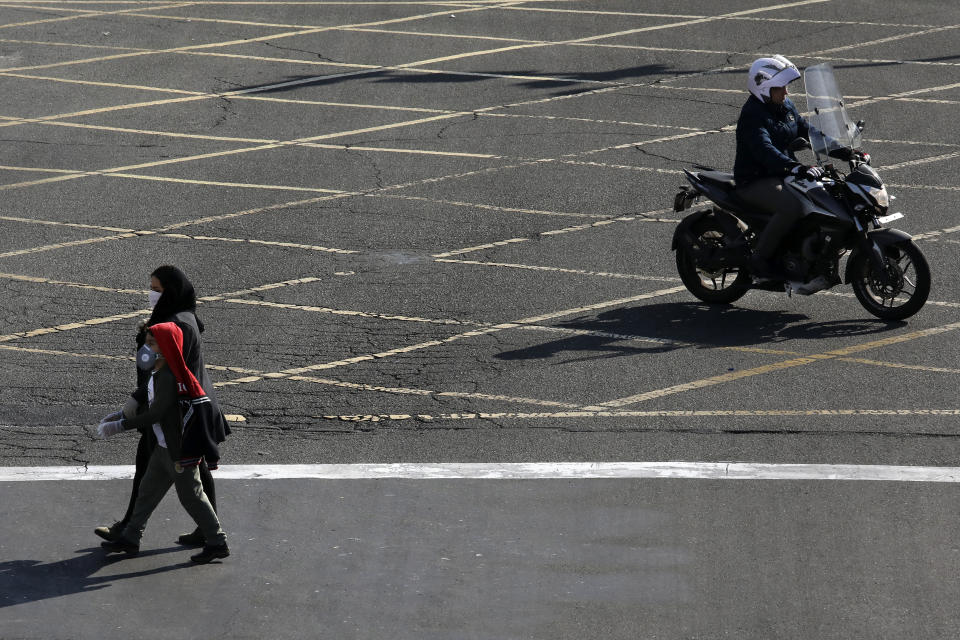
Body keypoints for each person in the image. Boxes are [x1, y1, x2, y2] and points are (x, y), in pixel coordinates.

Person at [94, 266, 229, 547]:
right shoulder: (177, 317)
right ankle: (136, 531)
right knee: (180, 474)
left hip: (175, 415)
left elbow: (167, 373)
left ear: (171, 291)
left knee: (162, 475)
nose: (152, 294)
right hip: (180, 412)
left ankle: (134, 532)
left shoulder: (176, 326)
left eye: (157, 290)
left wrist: (133, 408)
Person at [733, 55, 843, 278]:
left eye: (785, 86)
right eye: (779, 87)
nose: (786, 92)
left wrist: (842, 150)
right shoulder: (752, 115)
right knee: (793, 206)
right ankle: (759, 259)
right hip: (756, 179)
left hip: (783, 173)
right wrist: (795, 167)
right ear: (763, 88)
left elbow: (808, 131)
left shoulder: (784, 105)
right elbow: (765, 152)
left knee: (827, 194)